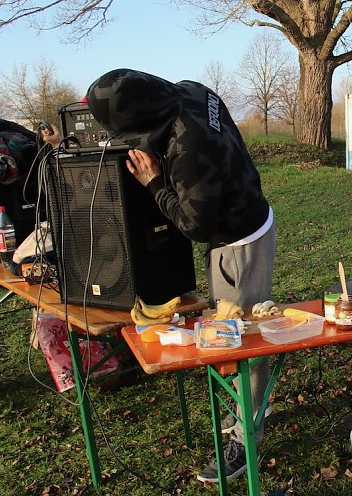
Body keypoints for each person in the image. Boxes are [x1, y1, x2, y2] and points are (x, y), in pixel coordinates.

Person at [82, 69, 275, 483]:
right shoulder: (191, 89)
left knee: (242, 337)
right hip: (242, 214)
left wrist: (154, 182)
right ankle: (243, 405)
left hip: (239, 238)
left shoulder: (189, 144)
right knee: (230, 330)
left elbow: (195, 226)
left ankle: (248, 435)